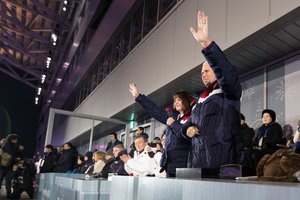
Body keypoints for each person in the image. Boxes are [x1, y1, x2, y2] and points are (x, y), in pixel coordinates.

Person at [167, 11, 244, 169]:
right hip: (197, 163)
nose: (203, 75)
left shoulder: (228, 93)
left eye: (207, 71)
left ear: (216, 71)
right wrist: (187, 129)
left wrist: (207, 45)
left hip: (222, 165)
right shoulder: (199, 101)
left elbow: (226, 72)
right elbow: (189, 125)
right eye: (201, 73)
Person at [129, 84, 195, 177]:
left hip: (184, 165)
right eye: (175, 100)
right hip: (170, 165)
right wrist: (139, 97)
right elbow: (155, 111)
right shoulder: (171, 118)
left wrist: (173, 124)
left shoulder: (193, 117)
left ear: (186, 101)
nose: (176, 102)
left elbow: (188, 137)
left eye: (179, 100)